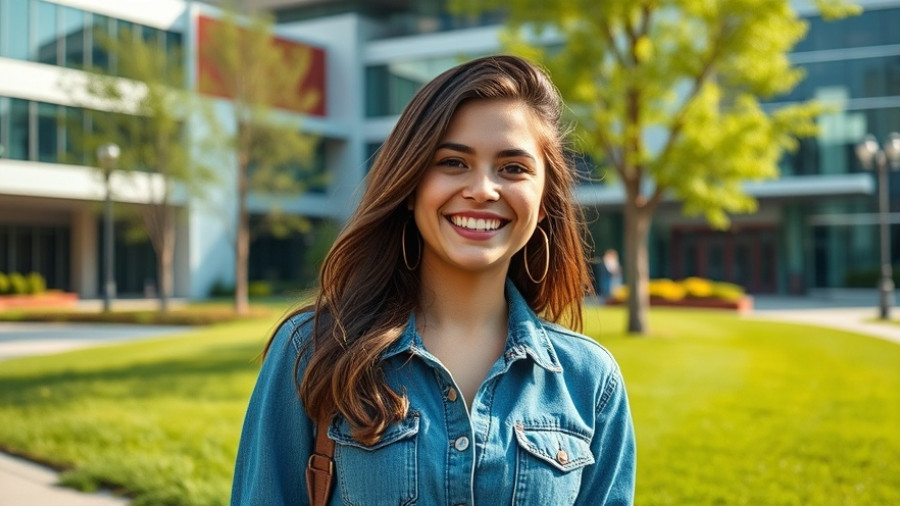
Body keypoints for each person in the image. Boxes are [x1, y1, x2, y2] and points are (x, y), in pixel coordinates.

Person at [231, 55, 636, 505]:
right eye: (453, 162)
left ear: (543, 204)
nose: (483, 189)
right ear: (410, 187)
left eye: (513, 168)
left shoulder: (592, 382)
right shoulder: (311, 350)